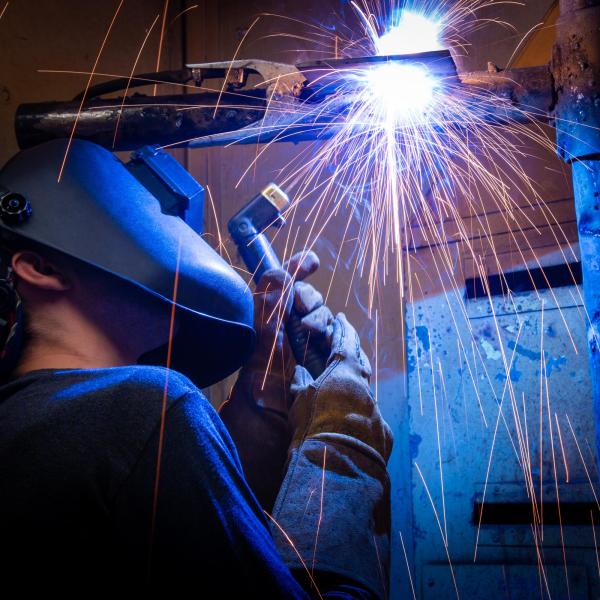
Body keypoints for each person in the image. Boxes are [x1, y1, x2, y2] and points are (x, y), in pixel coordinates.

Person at [0, 139, 392, 598]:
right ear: (39, 268)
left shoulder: (34, 423)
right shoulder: (144, 407)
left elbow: (214, 534)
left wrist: (263, 383)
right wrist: (344, 436)